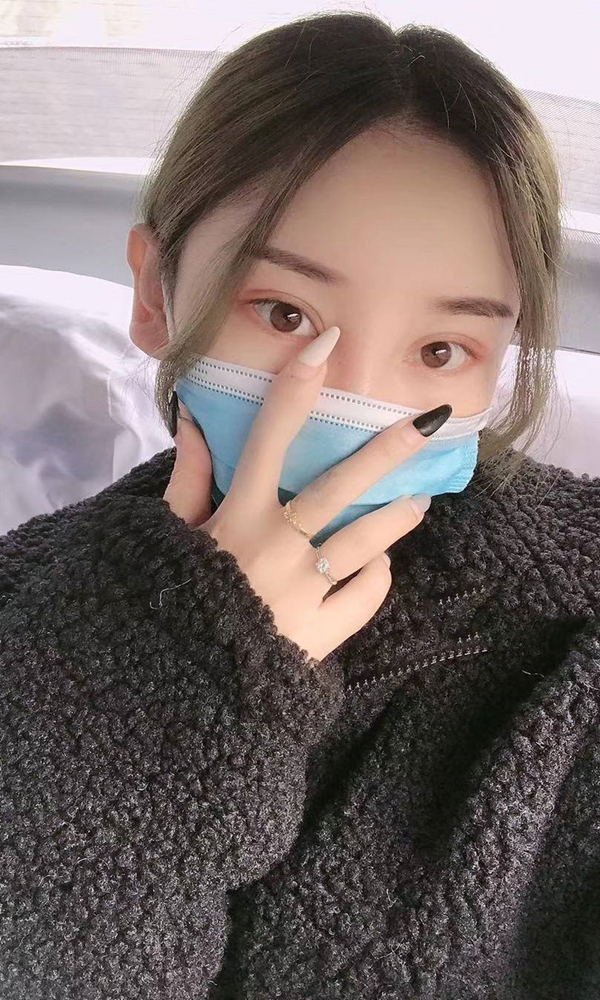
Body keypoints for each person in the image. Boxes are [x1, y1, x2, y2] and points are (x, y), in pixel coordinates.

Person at [1, 12, 599, 999]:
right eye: (287, 315)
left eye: (441, 350)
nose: (351, 396)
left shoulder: (578, 622)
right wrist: (185, 677)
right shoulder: (27, 609)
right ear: (154, 294)